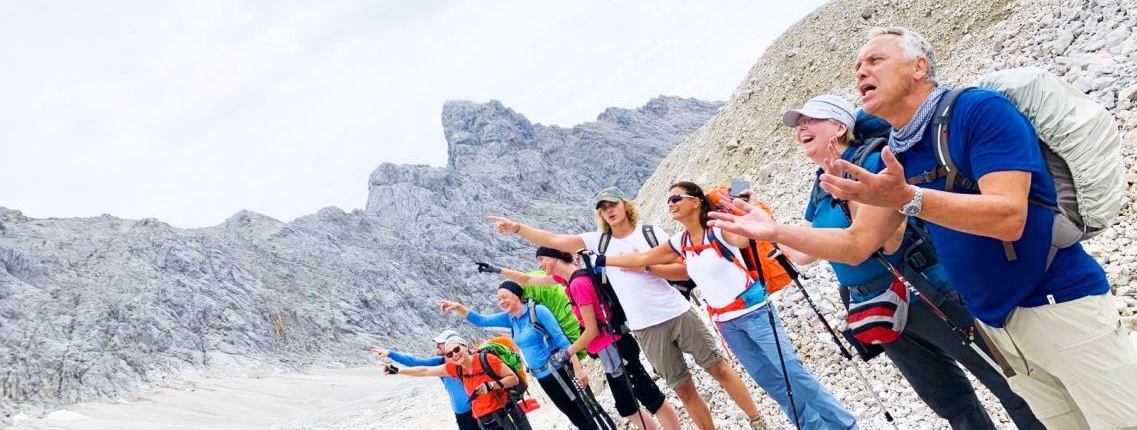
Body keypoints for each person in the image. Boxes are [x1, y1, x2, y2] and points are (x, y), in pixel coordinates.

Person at [710, 26, 1137, 430]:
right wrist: (773, 232)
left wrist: (905, 198)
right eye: (857, 66)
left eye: (875, 59)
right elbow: (858, 244)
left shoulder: (976, 111)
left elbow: (1010, 216)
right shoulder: (900, 150)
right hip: (997, 324)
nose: (861, 71)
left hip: (1056, 303)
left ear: (919, 67)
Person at [774, 94, 1043, 429]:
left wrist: (850, 196)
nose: (801, 126)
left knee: (1005, 382)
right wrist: (765, 226)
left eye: (810, 119)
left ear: (840, 126)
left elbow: (888, 241)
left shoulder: (876, 162)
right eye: (798, 123)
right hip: (877, 307)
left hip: (924, 290)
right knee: (949, 402)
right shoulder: (821, 184)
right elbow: (806, 254)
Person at [488, 187, 768, 430]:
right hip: (644, 327)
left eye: (613, 204)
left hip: (677, 312)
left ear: (625, 205)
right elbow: (554, 241)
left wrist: (644, 265)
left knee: (717, 368)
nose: (609, 211)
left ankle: (756, 419)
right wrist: (517, 228)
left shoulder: (650, 232)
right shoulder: (598, 242)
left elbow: (684, 271)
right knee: (683, 389)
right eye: (603, 208)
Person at [597, 181, 857, 430]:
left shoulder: (720, 230)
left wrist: (742, 198)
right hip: (726, 324)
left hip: (755, 313)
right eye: (668, 200)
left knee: (793, 373)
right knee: (771, 382)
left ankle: (845, 426)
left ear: (697, 202)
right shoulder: (681, 242)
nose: (670, 204)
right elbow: (642, 257)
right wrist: (599, 261)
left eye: (676, 198)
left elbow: (743, 236)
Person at [478, 247, 682, 430]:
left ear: (555, 257)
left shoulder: (578, 284)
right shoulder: (566, 280)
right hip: (607, 350)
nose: (539, 265)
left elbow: (591, 330)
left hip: (616, 347)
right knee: (626, 406)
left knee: (650, 396)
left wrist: (568, 353)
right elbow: (529, 280)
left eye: (541, 259)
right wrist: (496, 270)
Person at [440, 281, 615, 430]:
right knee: (572, 415)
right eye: (499, 298)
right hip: (541, 376)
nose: (501, 301)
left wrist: (578, 368)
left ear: (516, 295)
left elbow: (561, 339)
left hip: (558, 371)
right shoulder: (510, 319)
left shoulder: (538, 311)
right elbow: (481, 321)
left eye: (504, 296)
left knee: (584, 411)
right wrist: (458, 307)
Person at [379, 335, 531, 430]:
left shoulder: (486, 359)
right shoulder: (453, 368)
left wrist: (491, 385)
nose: (455, 355)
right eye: (450, 354)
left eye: (457, 349)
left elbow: (513, 379)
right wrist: (397, 370)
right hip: (485, 421)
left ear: (465, 346)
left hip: (506, 412)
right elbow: (424, 370)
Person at [370, 329, 481, 430]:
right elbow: (416, 363)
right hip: (461, 416)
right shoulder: (440, 362)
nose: (437, 345)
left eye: (440, 343)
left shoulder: (470, 359)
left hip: (477, 412)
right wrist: (390, 354)